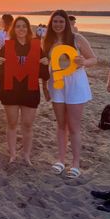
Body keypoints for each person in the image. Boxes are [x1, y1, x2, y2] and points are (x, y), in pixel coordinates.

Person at [43, 9, 97, 178]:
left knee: (73, 126)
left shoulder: (77, 39)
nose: (58, 25)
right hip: (57, 84)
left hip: (75, 84)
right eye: (55, 22)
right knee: (60, 124)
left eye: (61, 21)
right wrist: (45, 85)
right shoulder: (47, 41)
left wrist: (84, 62)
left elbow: (94, 59)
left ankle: (75, 163)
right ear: (51, 24)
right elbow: (47, 65)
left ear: (66, 23)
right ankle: (60, 159)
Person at [0, 16, 50, 164]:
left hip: (29, 91)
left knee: (27, 124)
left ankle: (26, 155)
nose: (21, 29)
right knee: (11, 123)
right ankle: (12, 154)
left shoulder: (36, 47)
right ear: (14, 29)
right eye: (18, 26)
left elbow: (44, 74)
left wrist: (45, 63)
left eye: (24, 26)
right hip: (10, 91)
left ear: (28, 29)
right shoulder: (7, 47)